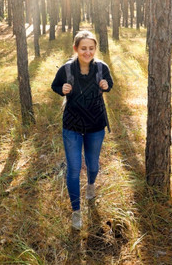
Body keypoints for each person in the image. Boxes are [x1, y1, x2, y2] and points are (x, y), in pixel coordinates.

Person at [51, 30, 114, 230]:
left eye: (91, 48)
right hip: (72, 126)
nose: (87, 52)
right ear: (76, 49)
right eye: (83, 48)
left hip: (96, 126)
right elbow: (55, 85)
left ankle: (91, 185)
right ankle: (76, 211)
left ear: (95, 49)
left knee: (93, 166)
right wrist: (62, 89)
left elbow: (109, 85)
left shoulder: (101, 68)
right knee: (74, 169)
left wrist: (105, 84)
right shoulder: (67, 69)